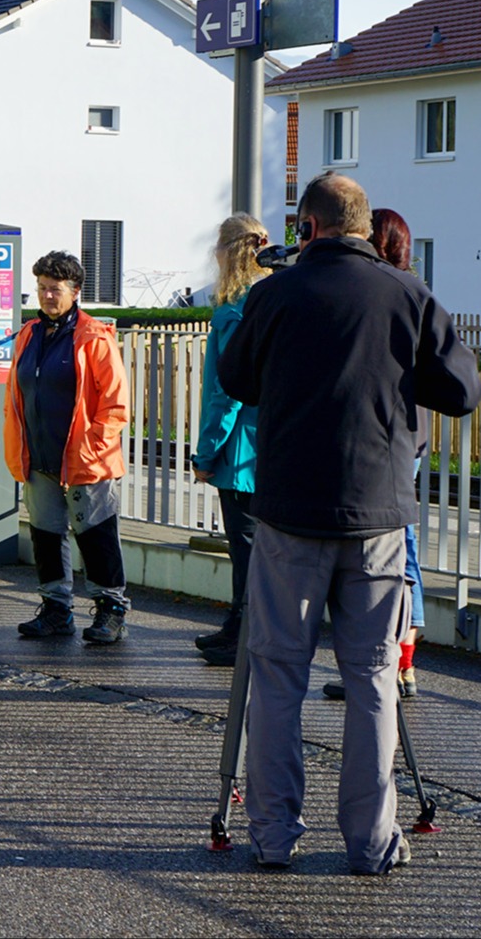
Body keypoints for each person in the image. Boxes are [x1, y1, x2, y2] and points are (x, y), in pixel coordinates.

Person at [218, 172, 479, 875]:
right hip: (375, 520)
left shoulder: (273, 294)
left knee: (277, 676)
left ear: (307, 228)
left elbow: (236, 377)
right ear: (364, 228)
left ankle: (271, 836)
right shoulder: (407, 295)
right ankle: (370, 843)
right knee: (369, 678)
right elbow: (462, 390)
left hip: (288, 516)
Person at [324, 207, 431, 700]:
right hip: (405, 437)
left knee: (396, 555)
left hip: (386, 442)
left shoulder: (382, 294)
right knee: (402, 552)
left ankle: (392, 666)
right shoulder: (412, 296)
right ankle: (397, 663)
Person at [3, 251, 132, 644]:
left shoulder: (94, 338)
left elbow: (115, 404)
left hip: (84, 457)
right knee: (45, 533)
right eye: (41, 288)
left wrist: (92, 447)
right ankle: (57, 609)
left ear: (75, 292)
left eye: (54, 289)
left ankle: (112, 610)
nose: (46, 296)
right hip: (39, 455)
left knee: (96, 534)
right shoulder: (30, 334)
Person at [191, 214, 272, 667]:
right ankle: (238, 628)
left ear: (226, 252)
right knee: (259, 549)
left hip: (240, 452)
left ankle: (241, 634)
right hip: (269, 444)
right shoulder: (271, 297)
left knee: (246, 548)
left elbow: (226, 393)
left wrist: (205, 454)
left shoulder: (234, 309)